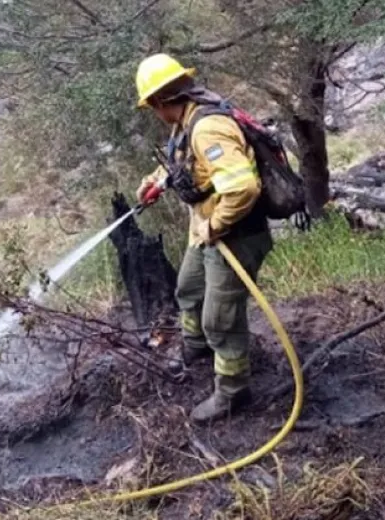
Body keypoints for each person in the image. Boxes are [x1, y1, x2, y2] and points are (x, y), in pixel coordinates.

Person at [134, 54, 274, 423]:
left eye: (151, 105)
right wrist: (156, 181)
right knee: (189, 290)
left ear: (162, 100)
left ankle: (233, 391)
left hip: (235, 234)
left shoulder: (208, 127)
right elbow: (188, 163)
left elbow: (243, 188)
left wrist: (216, 226)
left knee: (221, 319)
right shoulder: (187, 120)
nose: (153, 112)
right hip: (208, 231)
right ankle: (196, 348)